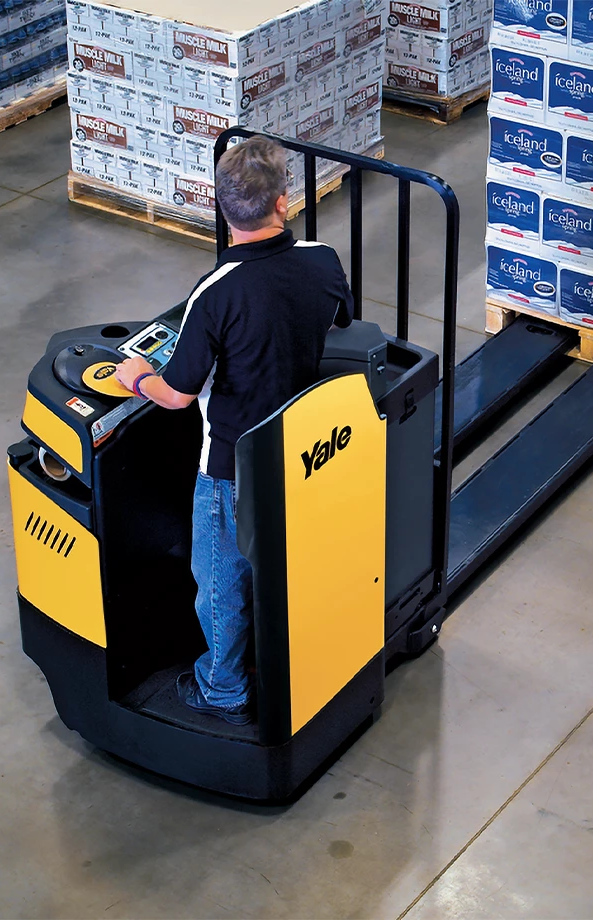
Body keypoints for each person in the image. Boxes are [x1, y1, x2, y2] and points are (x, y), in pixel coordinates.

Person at [115, 137, 353, 725]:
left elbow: (178, 395)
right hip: (300, 447)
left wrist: (137, 376)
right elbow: (340, 317)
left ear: (222, 211)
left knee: (220, 582)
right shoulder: (323, 260)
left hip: (229, 467)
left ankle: (223, 690)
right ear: (283, 202)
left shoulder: (214, 293)